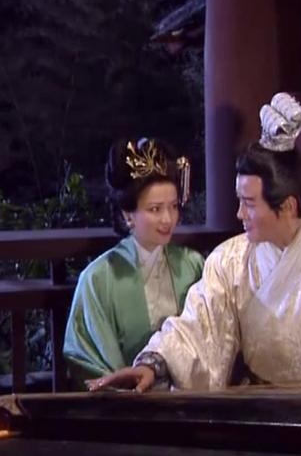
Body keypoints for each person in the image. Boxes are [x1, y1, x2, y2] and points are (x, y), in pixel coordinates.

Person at [86, 93, 301, 393]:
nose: (239, 214)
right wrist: (155, 363)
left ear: (287, 206)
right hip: (265, 407)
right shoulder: (230, 260)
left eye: (249, 203)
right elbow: (198, 327)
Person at [63, 137, 204, 389]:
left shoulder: (193, 265)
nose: (168, 219)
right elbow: (86, 357)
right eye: (155, 209)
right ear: (128, 215)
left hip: (187, 397)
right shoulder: (99, 278)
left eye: (173, 207)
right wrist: (129, 388)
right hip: (128, 404)